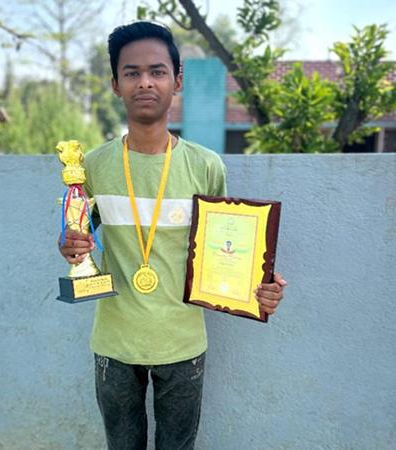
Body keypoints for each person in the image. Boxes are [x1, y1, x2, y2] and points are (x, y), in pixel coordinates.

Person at [59, 21, 286, 450]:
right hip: (114, 342)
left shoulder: (206, 167)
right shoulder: (92, 166)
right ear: (115, 84)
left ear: (177, 81)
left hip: (183, 344)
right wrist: (70, 246)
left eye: (157, 71)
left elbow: (229, 247)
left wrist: (259, 283)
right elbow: (77, 238)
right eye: (132, 72)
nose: (145, 82)